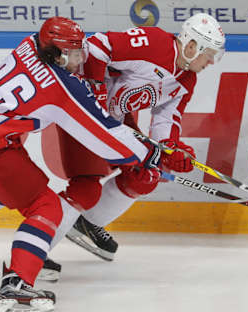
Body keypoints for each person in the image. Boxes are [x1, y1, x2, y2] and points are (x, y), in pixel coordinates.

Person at [0, 16, 160, 312]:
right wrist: (148, 154)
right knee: (46, 206)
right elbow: (104, 135)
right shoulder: (62, 88)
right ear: (58, 54)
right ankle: (17, 285)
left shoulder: (30, 44)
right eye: (74, 54)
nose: (79, 59)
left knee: (17, 183)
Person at [56, 13, 225, 261]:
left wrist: (170, 150)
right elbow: (98, 45)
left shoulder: (187, 79)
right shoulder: (156, 43)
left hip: (112, 120)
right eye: (209, 54)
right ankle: (37, 245)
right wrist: (96, 92)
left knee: (146, 172)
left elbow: (167, 120)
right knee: (86, 187)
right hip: (81, 106)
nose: (210, 62)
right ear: (191, 46)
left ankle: (86, 224)